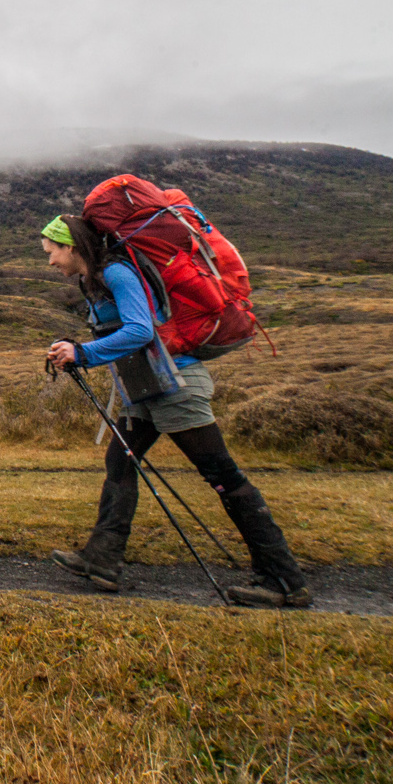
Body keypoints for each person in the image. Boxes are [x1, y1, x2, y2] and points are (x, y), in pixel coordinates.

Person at [38, 213, 312, 608]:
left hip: (175, 387)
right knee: (119, 463)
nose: (50, 262)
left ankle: (284, 580)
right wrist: (78, 347)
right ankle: (102, 560)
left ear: (72, 246)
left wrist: (83, 353)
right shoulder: (94, 280)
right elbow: (125, 330)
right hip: (145, 389)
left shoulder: (117, 273)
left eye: (52, 253)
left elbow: (140, 331)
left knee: (222, 474)